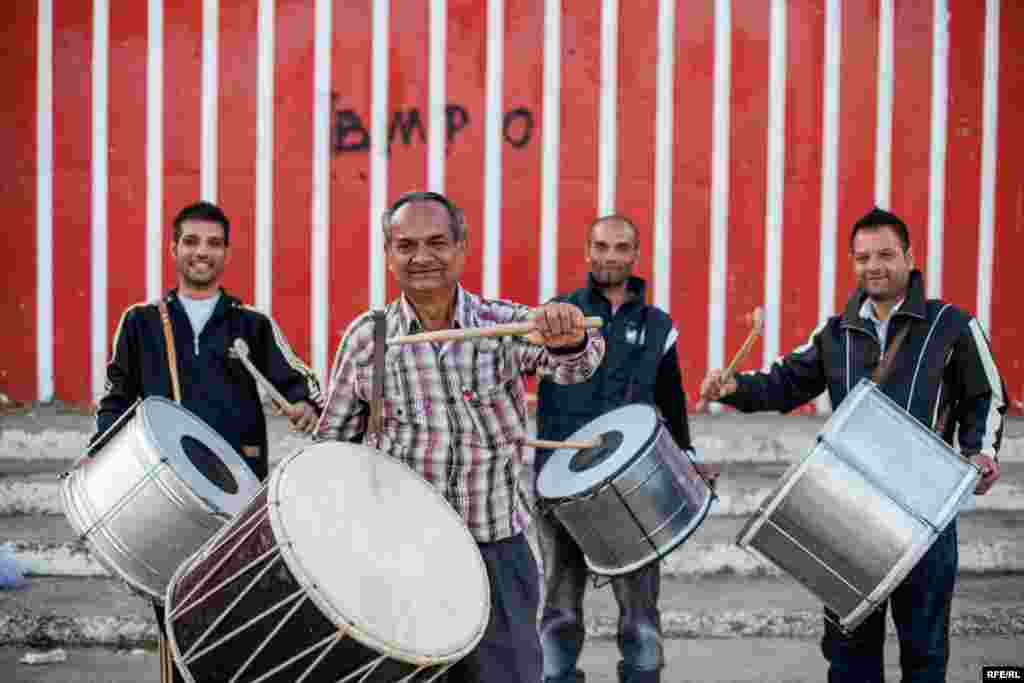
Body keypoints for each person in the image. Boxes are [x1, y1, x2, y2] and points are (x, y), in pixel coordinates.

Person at [700, 207, 1006, 682]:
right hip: (847, 511)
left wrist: (979, 451)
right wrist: (734, 388)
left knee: (924, 653)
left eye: (885, 254)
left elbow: (986, 395)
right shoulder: (835, 332)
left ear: (909, 258)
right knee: (848, 656)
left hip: (924, 513)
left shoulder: (952, 324)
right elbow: (784, 383)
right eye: (863, 258)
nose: (874, 266)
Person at [314, 190, 605, 683]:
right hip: (401, 554)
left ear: (461, 248)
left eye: (437, 242)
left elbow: (578, 365)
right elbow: (331, 449)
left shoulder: (503, 324)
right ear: (388, 255)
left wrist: (570, 337)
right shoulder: (368, 338)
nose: (422, 257)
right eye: (406, 246)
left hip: (496, 547)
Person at [92, 200, 324, 683]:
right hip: (164, 489)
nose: (202, 252)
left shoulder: (250, 323)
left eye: (214, 243)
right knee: (173, 599)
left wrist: (305, 404)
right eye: (192, 241)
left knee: (235, 608)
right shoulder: (140, 322)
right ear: (173, 249)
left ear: (227, 252)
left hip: (237, 491)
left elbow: (298, 380)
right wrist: (100, 462)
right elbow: (117, 399)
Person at [532, 214, 717, 683]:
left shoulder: (658, 326)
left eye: (620, 247)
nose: (609, 256)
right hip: (558, 486)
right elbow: (514, 371)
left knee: (640, 614)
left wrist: (689, 461)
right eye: (601, 246)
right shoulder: (559, 314)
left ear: (635, 254)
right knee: (559, 609)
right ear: (587, 251)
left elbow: (671, 401)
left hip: (634, 486)